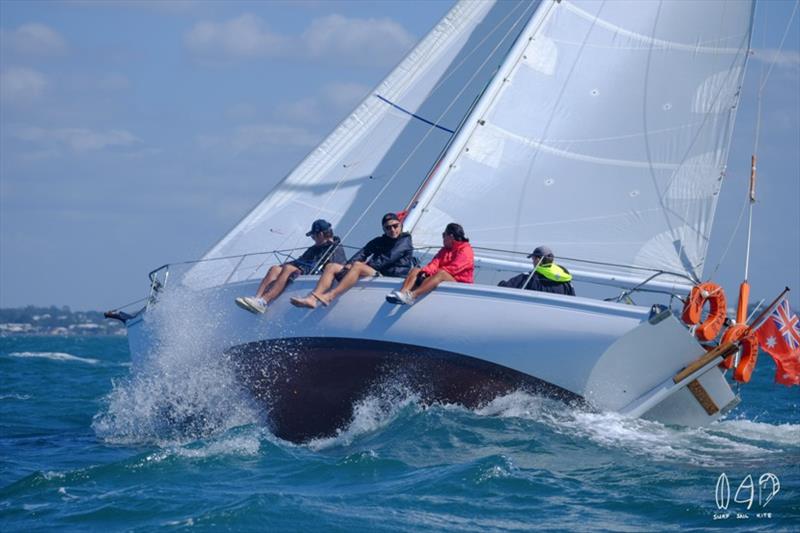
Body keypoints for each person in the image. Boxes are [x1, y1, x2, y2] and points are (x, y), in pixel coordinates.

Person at [289, 213, 416, 308]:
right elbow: (363, 252)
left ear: (401, 225)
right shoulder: (379, 240)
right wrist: (348, 265)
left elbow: (387, 258)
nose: (392, 230)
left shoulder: (405, 240)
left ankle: (329, 296)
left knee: (358, 266)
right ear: (384, 229)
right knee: (332, 266)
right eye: (388, 227)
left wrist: (359, 265)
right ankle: (312, 298)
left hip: (389, 277)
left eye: (395, 226)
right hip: (375, 273)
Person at [235, 219, 345, 314]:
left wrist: (291, 267)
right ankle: (257, 298)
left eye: (313, 236)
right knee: (275, 268)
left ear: (320, 235)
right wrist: (284, 266)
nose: (312, 238)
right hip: (303, 268)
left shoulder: (336, 248)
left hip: (314, 274)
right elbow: (300, 260)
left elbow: (334, 268)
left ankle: (264, 301)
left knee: (288, 268)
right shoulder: (314, 248)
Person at [386, 222, 474, 306]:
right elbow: (435, 263)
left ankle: (412, 296)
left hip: (460, 283)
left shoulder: (465, 249)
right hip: (443, 276)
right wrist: (425, 272)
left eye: (444, 235)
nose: (443, 238)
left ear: (451, 236)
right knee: (416, 270)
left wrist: (434, 274)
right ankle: (402, 293)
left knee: (442, 273)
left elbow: (455, 267)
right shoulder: (444, 250)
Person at [498, 245, 575, 296]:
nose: (532, 261)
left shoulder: (528, 278)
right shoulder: (566, 283)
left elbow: (504, 288)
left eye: (533, 258)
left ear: (538, 260)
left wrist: (501, 283)